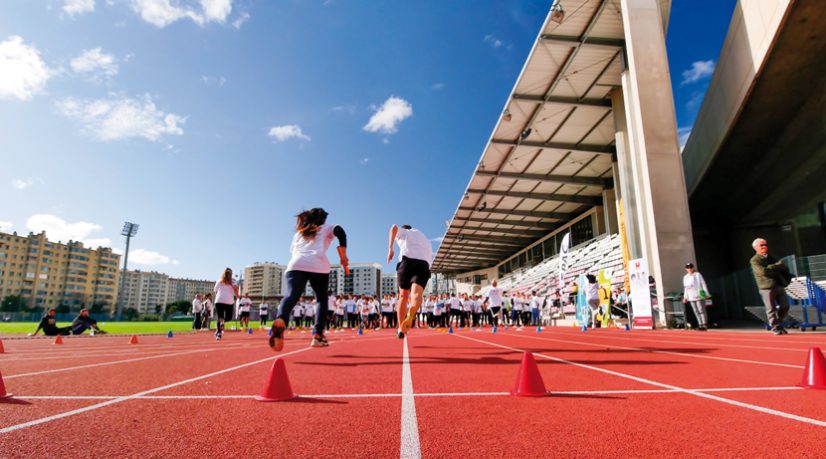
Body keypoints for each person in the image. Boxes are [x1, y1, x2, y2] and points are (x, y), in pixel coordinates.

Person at [269, 208, 348, 351]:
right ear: (323, 219)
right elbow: (340, 231)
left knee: (291, 295)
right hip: (318, 264)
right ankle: (318, 335)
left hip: (296, 264)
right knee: (321, 299)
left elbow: (294, 251)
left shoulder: (299, 233)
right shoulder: (326, 227)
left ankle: (281, 318)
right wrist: (343, 255)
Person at [387, 224, 432, 339]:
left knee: (403, 296)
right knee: (417, 294)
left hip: (408, 262)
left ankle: (401, 329)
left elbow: (393, 227)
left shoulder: (406, 232)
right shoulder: (424, 238)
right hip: (424, 264)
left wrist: (390, 248)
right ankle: (412, 311)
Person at [750, 238, 792, 335]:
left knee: (785, 305)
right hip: (766, 287)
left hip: (778, 284)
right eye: (761, 245)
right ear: (755, 248)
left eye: (765, 244)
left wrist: (770, 268)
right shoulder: (754, 260)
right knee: (771, 308)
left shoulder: (772, 257)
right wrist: (775, 267)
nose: (764, 246)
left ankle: (779, 323)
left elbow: (783, 267)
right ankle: (775, 326)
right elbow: (763, 272)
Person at [682, 262, 710, 331]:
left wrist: (706, 293)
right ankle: (700, 324)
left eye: (691, 267)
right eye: (688, 267)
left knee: (701, 310)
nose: (689, 269)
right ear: (686, 269)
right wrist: (685, 297)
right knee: (695, 311)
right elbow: (686, 288)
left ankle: (704, 324)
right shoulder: (685, 277)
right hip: (691, 296)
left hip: (698, 295)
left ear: (693, 268)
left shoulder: (697, 275)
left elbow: (703, 284)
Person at [213, 268, 239, 340]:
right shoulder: (233, 281)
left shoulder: (219, 280)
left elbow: (215, 290)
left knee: (220, 317)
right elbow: (236, 290)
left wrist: (219, 297)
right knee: (228, 318)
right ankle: (221, 324)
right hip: (229, 302)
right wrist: (237, 296)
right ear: (231, 274)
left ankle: (219, 333)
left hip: (219, 301)